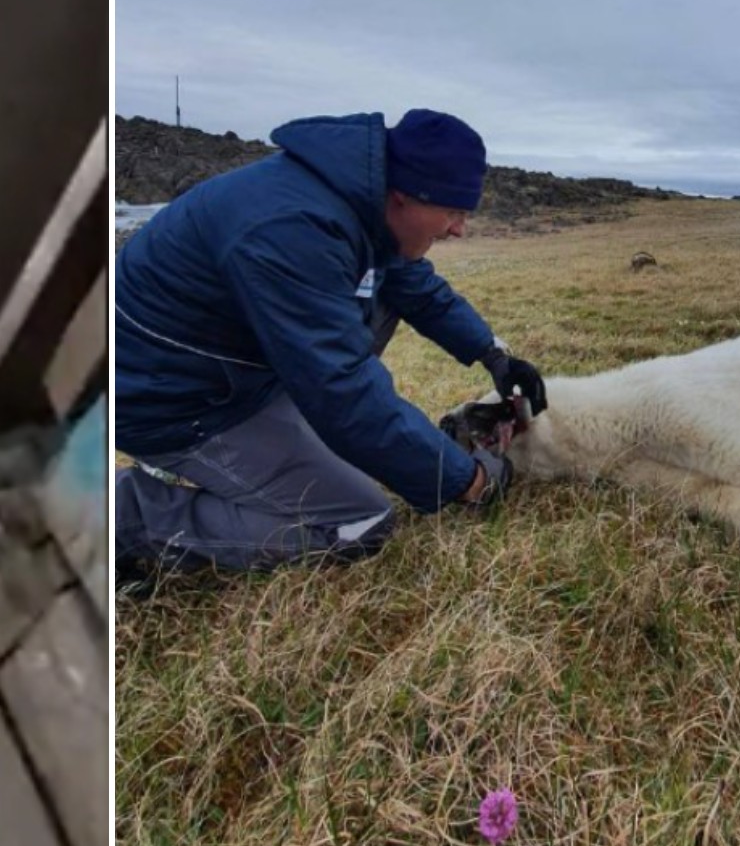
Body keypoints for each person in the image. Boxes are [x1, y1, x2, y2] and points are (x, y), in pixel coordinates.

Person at [114, 109, 547, 596]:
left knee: (385, 298)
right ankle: (114, 518)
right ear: (405, 195)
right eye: (453, 211)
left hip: (228, 372)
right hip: (172, 399)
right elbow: (342, 391)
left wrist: (493, 354)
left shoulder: (358, 200)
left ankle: (274, 452)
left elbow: (412, 284)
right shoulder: (293, 229)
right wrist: (466, 479)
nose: (459, 229)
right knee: (358, 521)